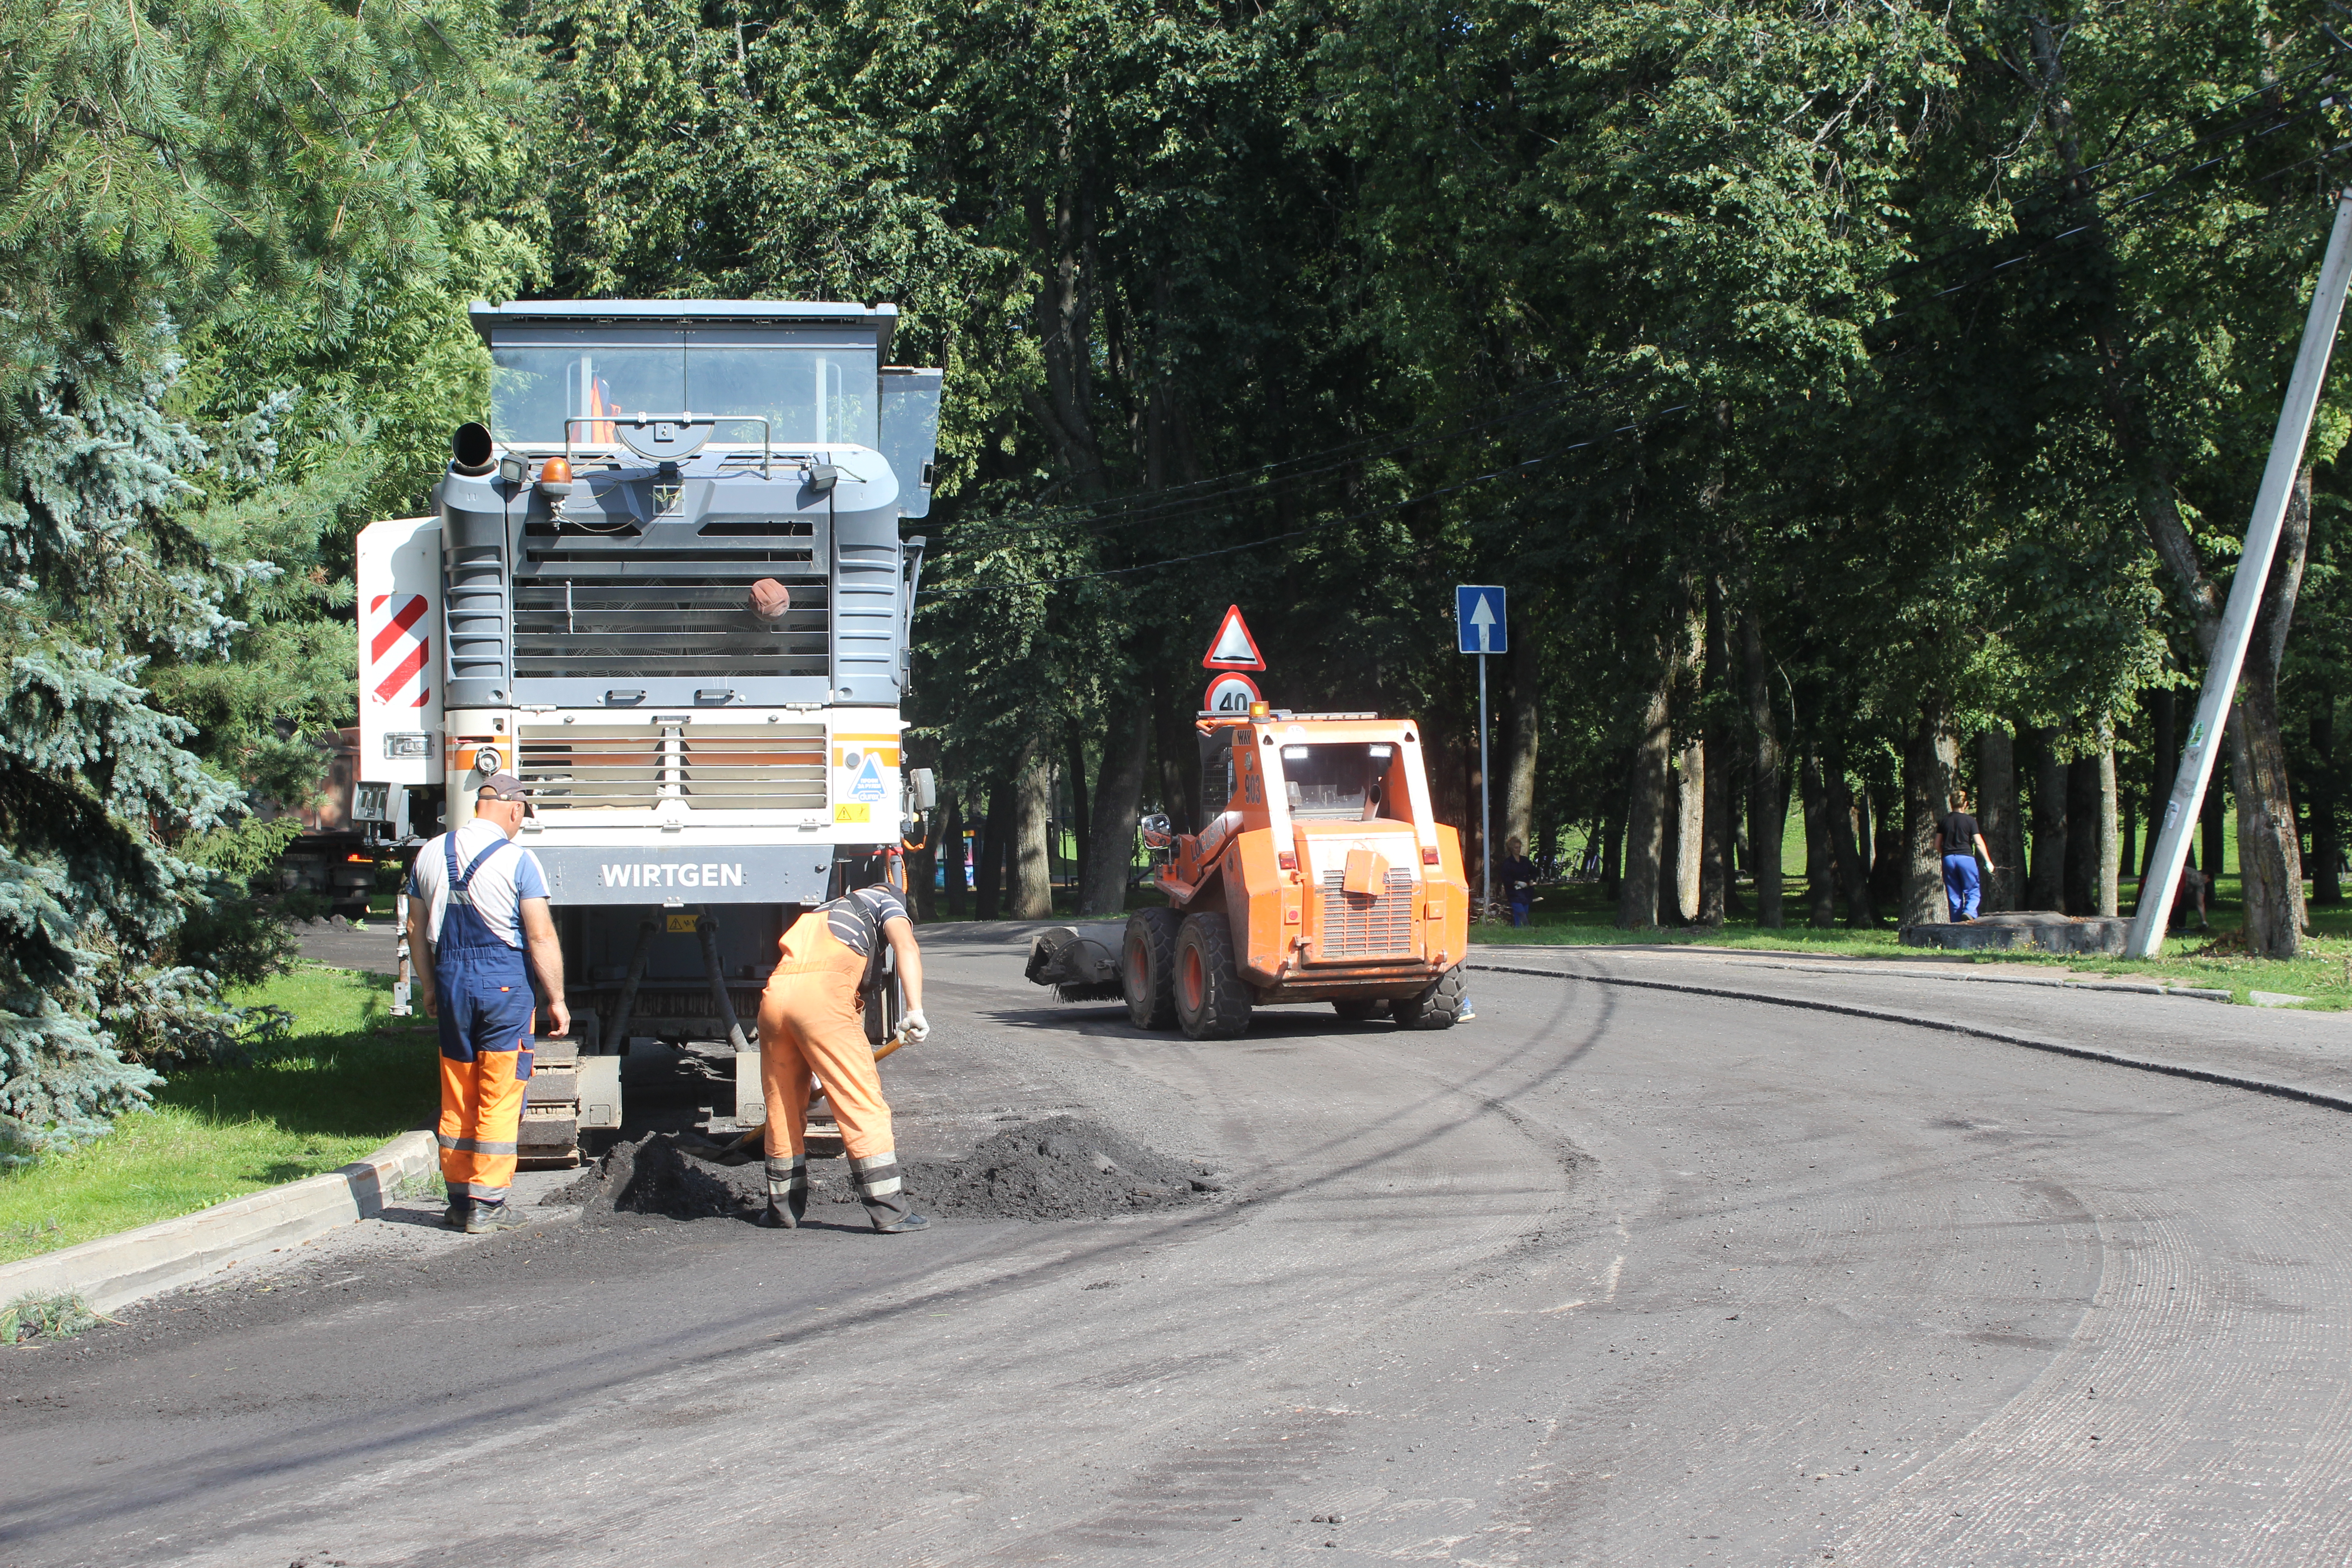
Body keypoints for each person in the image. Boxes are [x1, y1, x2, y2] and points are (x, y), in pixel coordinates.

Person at [405, 774, 570, 1234]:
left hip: (451, 978)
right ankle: (488, 1203)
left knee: (458, 1090)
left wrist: (429, 985)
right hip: (502, 984)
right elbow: (538, 933)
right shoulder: (520, 860)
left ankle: (459, 1199)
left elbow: (416, 929)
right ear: (514, 810)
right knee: (500, 1092)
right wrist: (556, 998)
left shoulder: (429, 853)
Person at [757, 882, 933, 1233]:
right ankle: (890, 1212)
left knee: (783, 1108)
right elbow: (907, 948)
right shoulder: (885, 902)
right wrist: (915, 1010)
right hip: (823, 999)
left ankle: (782, 1211)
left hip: (775, 1001)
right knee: (861, 1101)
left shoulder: (822, 912)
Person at [1936, 788, 1999, 922]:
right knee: (1972, 891)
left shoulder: (1943, 821)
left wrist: (1947, 853)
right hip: (1965, 858)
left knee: (1954, 895)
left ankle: (1956, 923)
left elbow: (1937, 845)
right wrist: (1988, 861)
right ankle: (1969, 912)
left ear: (1951, 804)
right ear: (1965, 804)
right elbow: (1979, 843)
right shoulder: (1970, 821)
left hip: (1948, 859)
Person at [1501, 837, 1539, 927]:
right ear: (1511, 849)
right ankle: (1523, 929)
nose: (1518, 850)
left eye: (1519, 847)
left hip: (1526, 892)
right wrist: (1517, 882)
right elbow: (1505, 878)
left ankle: (1521, 931)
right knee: (1520, 912)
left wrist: (1532, 880)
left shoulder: (1525, 861)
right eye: (1516, 848)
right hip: (1514, 892)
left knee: (1525, 912)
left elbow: (1534, 871)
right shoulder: (1508, 863)